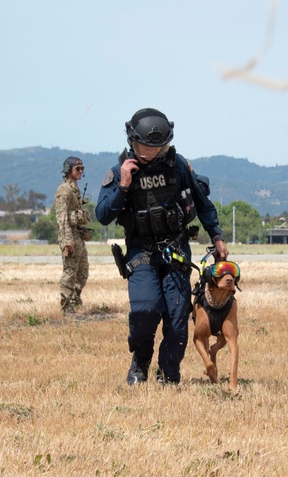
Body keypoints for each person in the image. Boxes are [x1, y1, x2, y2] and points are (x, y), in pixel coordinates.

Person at [96, 108, 229, 385]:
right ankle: (140, 363)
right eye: (147, 146)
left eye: (160, 146)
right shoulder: (119, 171)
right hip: (141, 252)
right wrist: (123, 186)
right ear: (132, 141)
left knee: (177, 318)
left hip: (175, 249)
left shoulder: (178, 165)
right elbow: (103, 215)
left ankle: (169, 373)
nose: (153, 152)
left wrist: (216, 236)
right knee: (145, 310)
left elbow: (202, 203)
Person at [54, 156, 92, 315]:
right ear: (69, 170)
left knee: (82, 272)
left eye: (82, 168)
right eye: (78, 169)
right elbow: (61, 217)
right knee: (70, 272)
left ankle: (76, 301)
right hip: (70, 237)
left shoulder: (74, 189)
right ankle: (66, 306)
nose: (81, 171)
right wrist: (67, 241)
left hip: (78, 236)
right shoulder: (65, 190)